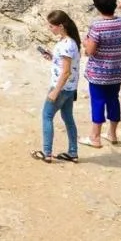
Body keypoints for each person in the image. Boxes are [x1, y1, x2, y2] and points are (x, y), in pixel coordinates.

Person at [83, 0, 121, 148]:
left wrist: (85, 43)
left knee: (98, 101)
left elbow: (90, 51)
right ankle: (112, 133)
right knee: (113, 100)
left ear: (97, 7)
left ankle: (95, 137)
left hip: (98, 72)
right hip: (116, 70)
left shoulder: (97, 26)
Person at [34, 10, 82, 162]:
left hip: (61, 87)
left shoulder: (66, 45)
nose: (50, 29)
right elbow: (66, 65)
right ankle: (73, 152)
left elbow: (66, 71)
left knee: (47, 116)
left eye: (51, 26)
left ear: (60, 26)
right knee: (68, 117)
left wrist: (55, 91)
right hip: (70, 88)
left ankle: (47, 152)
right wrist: (53, 58)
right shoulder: (72, 42)